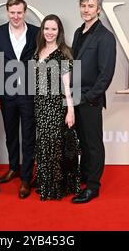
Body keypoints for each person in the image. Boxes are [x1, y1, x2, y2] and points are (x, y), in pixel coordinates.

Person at [71, 0, 116, 204]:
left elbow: (106, 74)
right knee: (82, 142)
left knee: (93, 144)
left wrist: (89, 97)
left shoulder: (105, 37)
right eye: (83, 5)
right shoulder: (79, 32)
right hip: (74, 97)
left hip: (90, 99)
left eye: (90, 6)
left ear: (98, 9)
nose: (86, 10)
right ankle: (85, 176)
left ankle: (93, 186)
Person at [0, 0, 39, 199]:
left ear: (25, 12)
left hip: (29, 94)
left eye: (19, 12)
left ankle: (26, 178)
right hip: (6, 93)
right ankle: (13, 168)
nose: (16, 16)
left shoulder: (37, 32)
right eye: (12, 13)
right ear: (7, 12)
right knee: (11, 133)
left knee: (28, 136)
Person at [33, 14, 81, 201]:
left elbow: (67, 87)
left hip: (55, 106)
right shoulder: (38, 51)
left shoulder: (63, 53)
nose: (50, 32)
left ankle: (56, 188)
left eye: (54, 29)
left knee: (54, 146)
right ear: (42, 30)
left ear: (59, 31)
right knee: (44, 145)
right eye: (46, 28)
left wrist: (70, 110)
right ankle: (45, 183)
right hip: (40, 106)